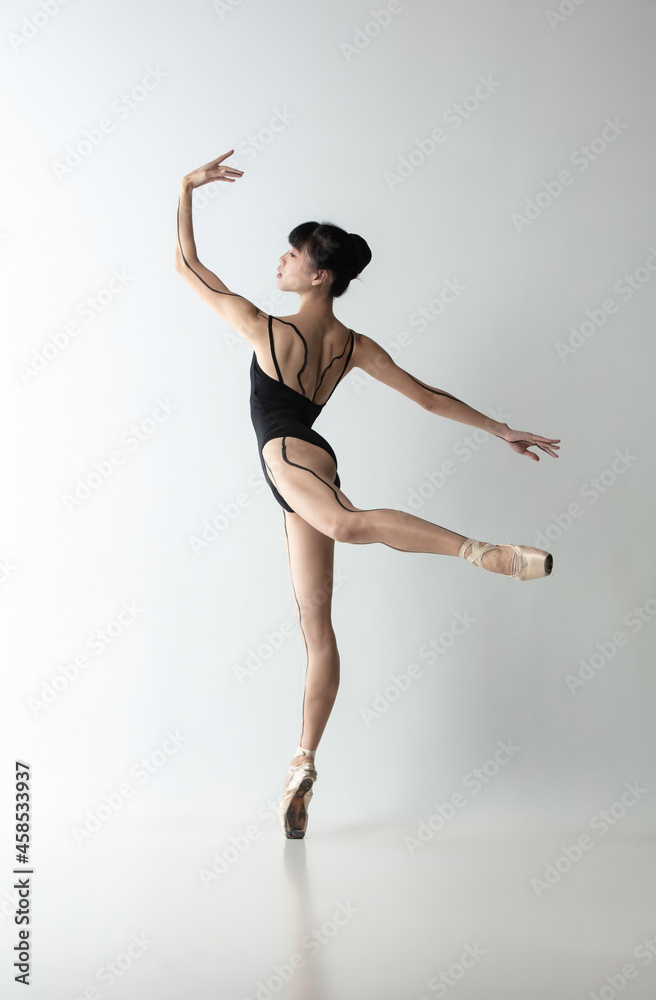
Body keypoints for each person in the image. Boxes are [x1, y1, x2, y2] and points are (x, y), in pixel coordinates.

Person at [175, 151, 561, 839]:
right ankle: (302, 764)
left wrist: (185, 190)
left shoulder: (268, 329)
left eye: (290, 256)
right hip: (308, 465)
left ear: (317, 274)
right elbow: (427, 397)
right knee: (316, 629)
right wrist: (495, 427)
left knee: (348, 526)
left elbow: (188, 269)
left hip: (288, 456)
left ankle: (481, 551)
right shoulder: (351, 345)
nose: (280, 264)